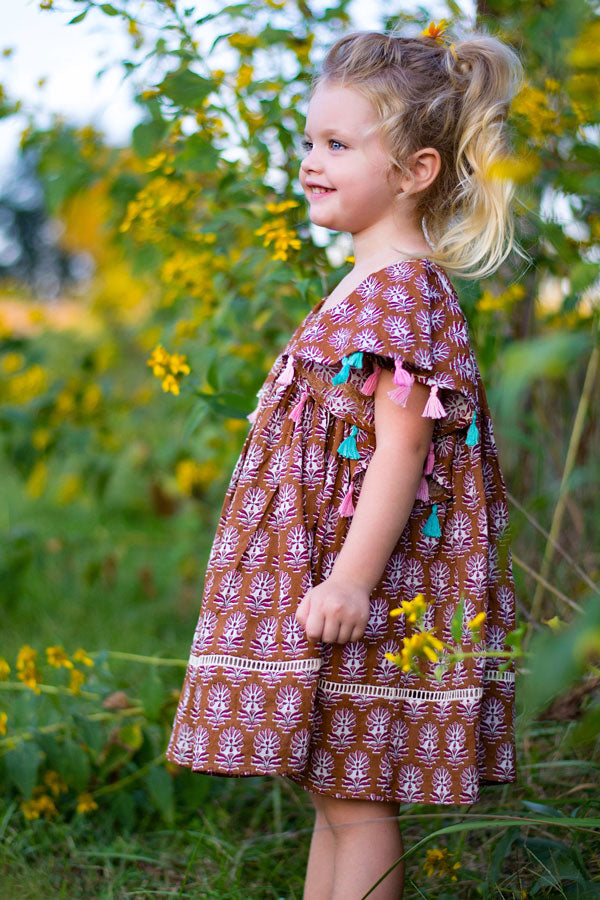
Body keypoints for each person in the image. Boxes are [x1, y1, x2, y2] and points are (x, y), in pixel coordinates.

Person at [165, 22, 525, 900]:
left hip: (370, 578)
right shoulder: (368, 280)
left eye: (338, 144)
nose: (311, 161)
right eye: (308, 141)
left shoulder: (400, 288)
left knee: (359, 800)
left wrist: (351, 583)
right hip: (336, 570)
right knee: (338, 792)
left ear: (416, 171)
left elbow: (401, 449)